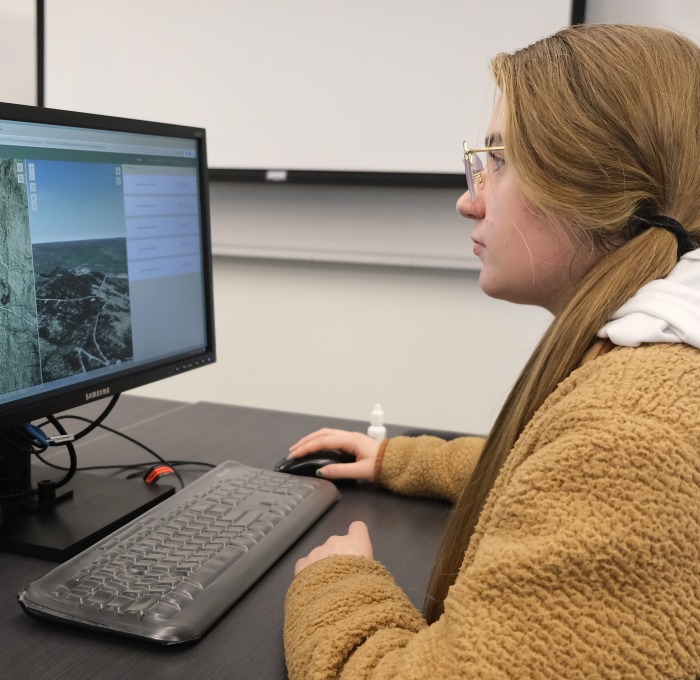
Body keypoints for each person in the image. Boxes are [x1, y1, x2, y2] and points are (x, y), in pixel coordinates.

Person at [283, 24, 700, 679]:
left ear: (592, 186)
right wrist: (403, 458)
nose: (468, 200)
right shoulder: (656, 365)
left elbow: (602, 464)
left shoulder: (635, 431)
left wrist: (338, 584)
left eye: (499, 161)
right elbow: (553, 467)